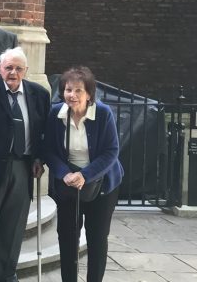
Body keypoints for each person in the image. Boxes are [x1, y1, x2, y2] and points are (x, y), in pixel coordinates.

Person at [0, 47, 50, 282]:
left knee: (14, 224)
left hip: (23, 166)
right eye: (8, 67)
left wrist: (39, 158)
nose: (12, 72)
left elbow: (43, 132)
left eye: (18, 68)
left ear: (25, 70)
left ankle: (5, 273)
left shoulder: (39, 94)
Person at [44, 66, 123, 282]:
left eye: (79, 90)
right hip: (68, 184)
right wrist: (64, 173)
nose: (72, 95)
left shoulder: (103, 113)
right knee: (68, 238)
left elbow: (111, 151)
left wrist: (85, 175)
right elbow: (48, 149)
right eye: (68, 90)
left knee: (97, 238)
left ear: (89, 94)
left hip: (103, 183)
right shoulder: (55, 114)